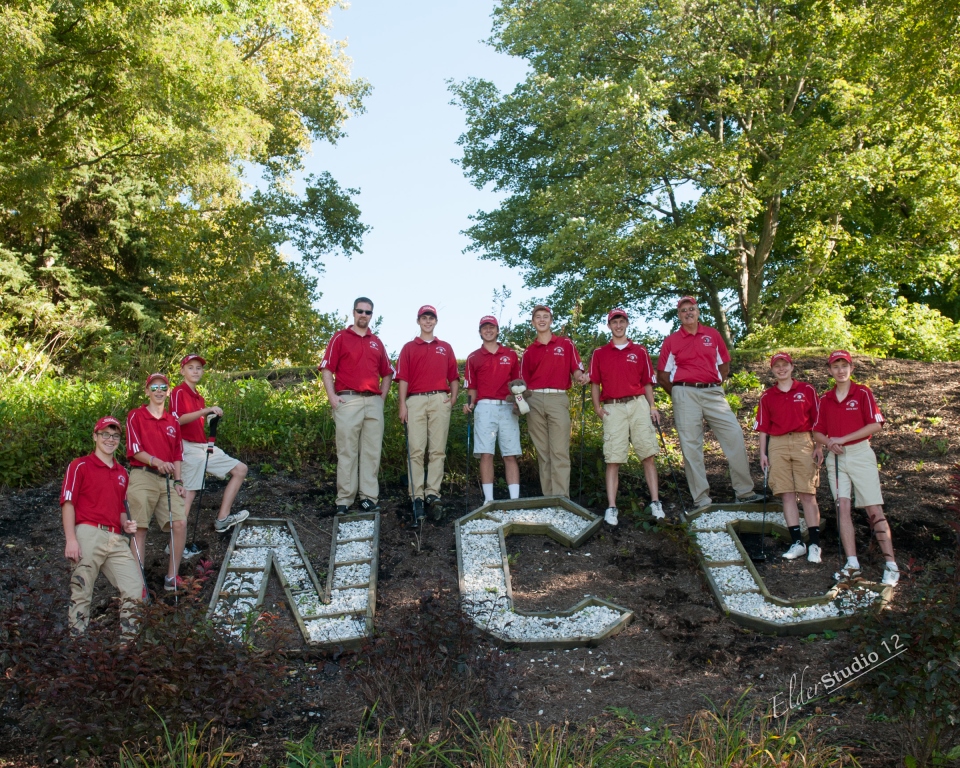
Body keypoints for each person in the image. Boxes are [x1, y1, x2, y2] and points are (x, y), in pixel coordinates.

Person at [656, 296, 764, 510]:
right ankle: (702, 499)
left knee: (734, 434)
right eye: (684, 310)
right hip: (684, 393)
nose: (688, 313)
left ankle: (744, 492)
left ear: (697, 312)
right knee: (691, 447)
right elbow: (662, 376)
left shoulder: (712, 335)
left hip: (713, 393)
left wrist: (713, 385)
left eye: (692, 309)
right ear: (679, 315)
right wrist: (678, 394)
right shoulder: (672, 341)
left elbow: (724, 366)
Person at [813, 350, 899, 585]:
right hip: (836, 458)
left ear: (851, 368)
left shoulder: (862, 392)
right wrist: (829, 441)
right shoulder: (825, 399)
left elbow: (876, 425)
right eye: (835, 366)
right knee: (842, 509)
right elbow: (817, 431)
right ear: (830, 370)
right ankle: (852, 563)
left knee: (874, 509)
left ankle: (891, 565)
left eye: (844, 365)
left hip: (860, 453)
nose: (840, 370)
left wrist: (843, 438)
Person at [61, 416, 143, 636]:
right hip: (88, 533)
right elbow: (68, 503)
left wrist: (127, 523)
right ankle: (76, 650)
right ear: (95, 436)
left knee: (135, 588)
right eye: (105, 434)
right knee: (81, 591)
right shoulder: (79, 465)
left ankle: (128, 647)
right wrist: (71, 539)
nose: (110, 439)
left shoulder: (122, 473)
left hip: (116, 538)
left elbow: (120, 509)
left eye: (115, 435)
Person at [319, 297, 395, 515]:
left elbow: (388, 372)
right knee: (347, 452)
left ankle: (368, 498)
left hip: (373, 402)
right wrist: (332, 397)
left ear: (372, 315)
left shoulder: (376, 341)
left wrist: (381, 399)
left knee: (371, 453)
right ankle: (344, 499)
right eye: (360, 311)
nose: (364, 315)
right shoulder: (340, 337)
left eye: (368, 312)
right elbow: (326, 369)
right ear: (353, 312)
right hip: (347, 400)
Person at [589, 309, 664, 526]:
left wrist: (652, 406)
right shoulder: (599, 353)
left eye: (622, 321)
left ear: (627, 324)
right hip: (613, 407)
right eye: (614, 322)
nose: (618, 325)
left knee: (647, 454)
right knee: (613, 458)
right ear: (609, 326)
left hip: (638, 404)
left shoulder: (639, 350)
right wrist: (596, 407)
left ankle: (655, 502)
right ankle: (612, 507)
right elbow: (595, 383)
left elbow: (647, 382)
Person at [754, 352, 823, 563]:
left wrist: (818, 446)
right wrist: (762, 453)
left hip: (803, 440)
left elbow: (818, 421)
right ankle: (797, 543)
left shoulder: (806, 389)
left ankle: (814, 544)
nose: (781, 369)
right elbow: (763, 428)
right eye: (777, 366)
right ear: (773, 370)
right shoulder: (767, 396)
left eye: (785, 365)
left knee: (808, 493)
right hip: (778, 444)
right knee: (786, 494)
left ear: (792, 367)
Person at [171, 354, 250, 534]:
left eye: (198, 368)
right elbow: (177, 420)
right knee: (189, 493)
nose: (195, 371)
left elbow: (197, 420)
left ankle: (222, 519)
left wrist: (210, 417)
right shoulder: (178, 391)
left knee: (240, 469)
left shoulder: (199, 397)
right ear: (182, 371)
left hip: (203, 447)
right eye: (190, 367)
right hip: (187, 447)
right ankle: (173, 544)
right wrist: (205, 411)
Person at [396, 305, 460, 521]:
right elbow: (402, 378)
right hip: (415, 400)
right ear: (418, 321)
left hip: (439, 399)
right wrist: (402, 404)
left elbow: (454, 376)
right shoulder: (408, 347)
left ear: (436, 321)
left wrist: (452, 398)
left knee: (437, 450)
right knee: (415, 450)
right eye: (424, 318)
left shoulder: (445, 347)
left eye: (431, 318)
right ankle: (417, 496)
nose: (428, 321)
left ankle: (432, 493)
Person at [126, 373, 187, 591]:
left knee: (179, 524)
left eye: (163, 387)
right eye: (154, 387)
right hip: (142, 475)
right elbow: (134, 449)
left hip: (168, 481)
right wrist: (156, 461)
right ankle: (137, 584)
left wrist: (178, 481)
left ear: (168, 391)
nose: (159, 391)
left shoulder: (173, 421)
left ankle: (172, 577)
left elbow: (178, 454)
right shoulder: (136, 416)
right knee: (140, 529)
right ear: (147, 391)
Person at [520, 305, 588, 497]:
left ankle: (561, 500)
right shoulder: (529, 352)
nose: (542, 320)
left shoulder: (566, 344)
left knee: (559, 452)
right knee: (543, 454)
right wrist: (519, 401)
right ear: (533, 322)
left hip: (558, 398)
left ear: (551, 321)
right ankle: (548, 500)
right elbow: (521, 383)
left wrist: (579, 376)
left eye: (546, 316)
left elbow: (576, 368)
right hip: (534, 400)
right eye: (538, 317)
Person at [464, 315, 523, 505]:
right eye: (484, 328)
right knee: (486, 453)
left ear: (498, 330)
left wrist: (519, 403)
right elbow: (471, 388)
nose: (488, 330)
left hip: (507, 406)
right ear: (480, 332)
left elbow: (518, 385)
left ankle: (514, 500)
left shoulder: (511, 354)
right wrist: (470, 404)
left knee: (510, 454)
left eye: (492, 327)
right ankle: (489, 500)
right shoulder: (473, 357)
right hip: (484, 408)